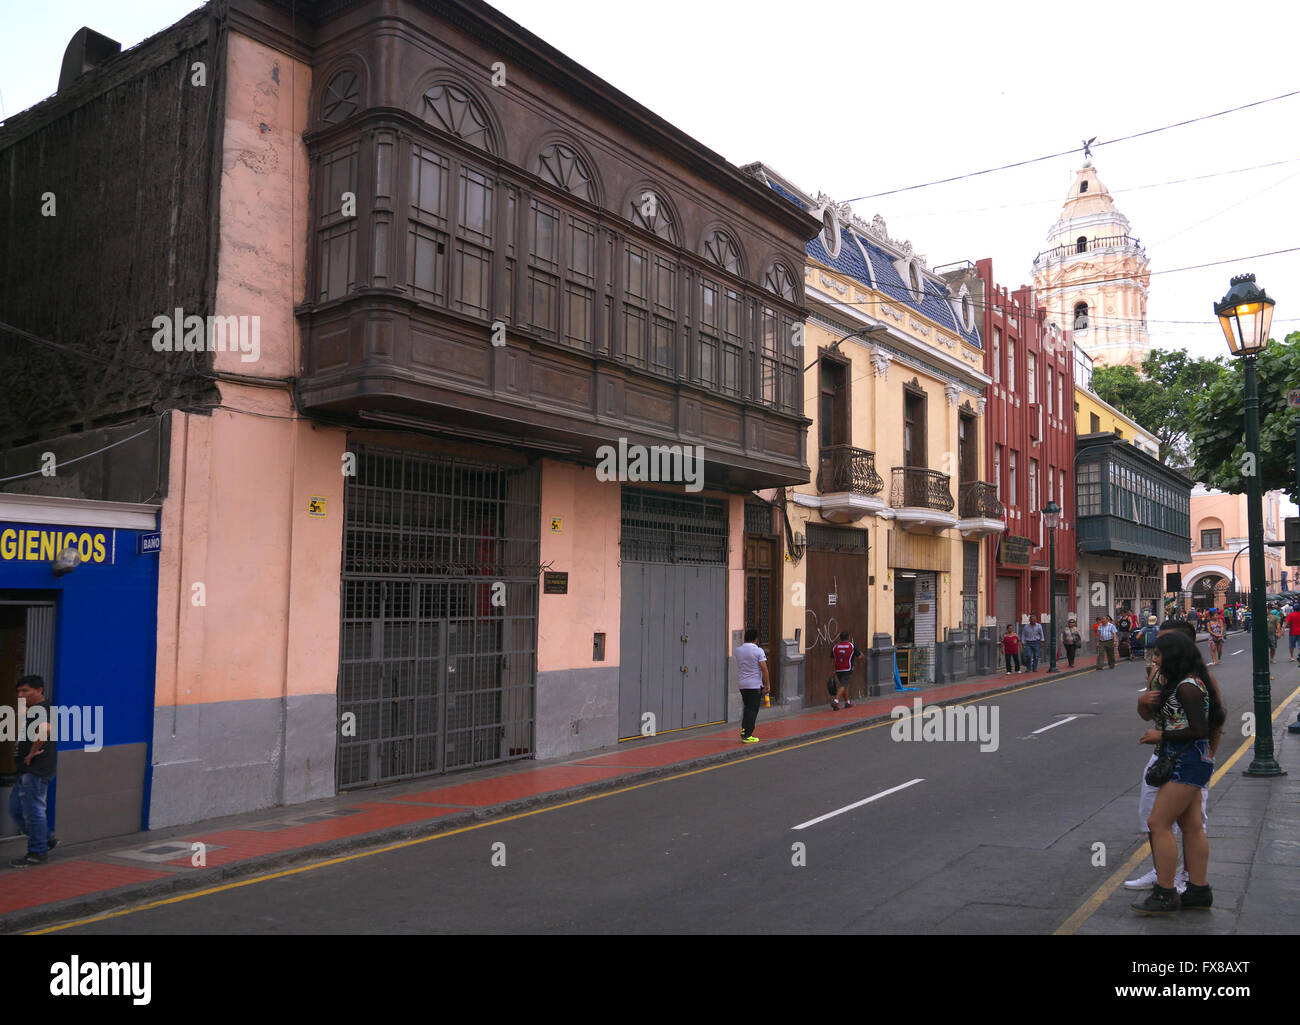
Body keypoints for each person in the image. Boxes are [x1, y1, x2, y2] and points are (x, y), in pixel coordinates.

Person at [1130, 631, 1223, 914]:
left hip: (1187, 761)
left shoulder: (1188, 687)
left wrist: (1161, 735)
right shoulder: (1182, 682)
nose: (1154, 659)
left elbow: (1199, 730)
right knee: (1191, 824)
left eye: (1158, 655)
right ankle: (1198, 890)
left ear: (1172, 656)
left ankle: (1165, 892)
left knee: (1158, 822)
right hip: (1188, 759)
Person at [8, 675, 60, 867]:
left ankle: (37, 852)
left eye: (25, 691)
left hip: (36, 770)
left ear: (39, 690)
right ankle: (46, 839)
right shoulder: (35, 710)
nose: (20, 695)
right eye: (19, 691)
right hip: (26, 771)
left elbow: (45, 730)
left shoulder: (43, 709)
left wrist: (31, 753)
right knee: (16, 810)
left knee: (33, 812)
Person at [735, 629, 770, 744]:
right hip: (754, 684)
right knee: (752, 709)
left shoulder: (738, 650)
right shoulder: (758, 651)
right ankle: (748, 735)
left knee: (747, 707)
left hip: (742, 684)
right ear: (756, 639)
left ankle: (745, 729)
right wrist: (767, 684)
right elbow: (764, 669)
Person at [830, 631, 860, 711]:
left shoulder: (835, 647)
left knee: (845, 686)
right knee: (843, 685)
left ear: (840, 638)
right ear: (848, 637)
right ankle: (836, 701)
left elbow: (832, 659)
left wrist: (833, 670)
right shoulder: (852, 646)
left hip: (838, 669)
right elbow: (859, 656)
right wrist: (862, 656)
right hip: (847, 668)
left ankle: (847, 702)